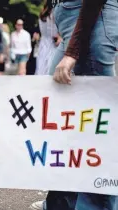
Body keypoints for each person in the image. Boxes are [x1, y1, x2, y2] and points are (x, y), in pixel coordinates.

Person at [31, 0, 118, 209]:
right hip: (77, 21)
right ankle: (62, 201)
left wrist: (72, 51)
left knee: (97, 130)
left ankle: (98, 205)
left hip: (93, 17)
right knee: (65, 119)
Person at [35, 0, 61, 75]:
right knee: (50, 65)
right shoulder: (54, 13)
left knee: (41, 65)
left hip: (43, 41)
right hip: (53, 43)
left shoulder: (42, 14)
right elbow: (54, 32)